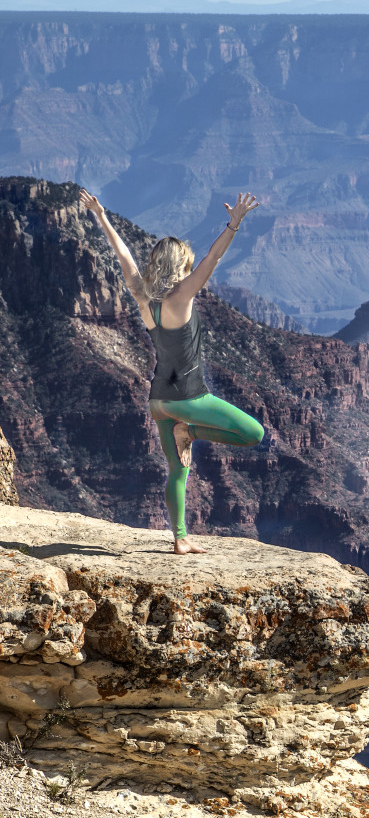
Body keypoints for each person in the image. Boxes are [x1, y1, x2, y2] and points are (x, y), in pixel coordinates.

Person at [79, 189, 265, 554]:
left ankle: (179, 539)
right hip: (189, 399)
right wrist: (234, 224)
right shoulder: (182, 295)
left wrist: (101, 216)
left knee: (178, 472)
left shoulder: (142, 294)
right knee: (253, 433)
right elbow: (213, 258)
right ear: (181, 264)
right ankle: (190, 430)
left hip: (158, 399)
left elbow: (123, 255)